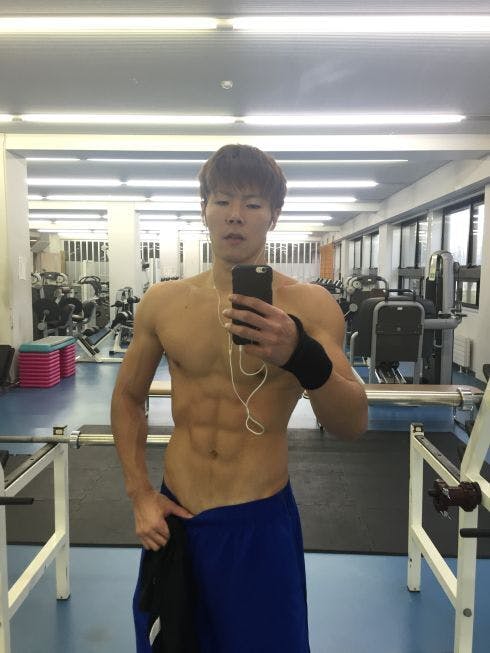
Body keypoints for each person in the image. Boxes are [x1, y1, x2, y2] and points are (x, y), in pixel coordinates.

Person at [111, 144, 368, 652]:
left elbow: (352, 423)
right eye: (223, 200)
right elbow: (127, 397)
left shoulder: (311, 306)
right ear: (204, 209)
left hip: (259, 523)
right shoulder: (164, 302)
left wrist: (300, 354)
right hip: (176, 519)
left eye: (252, 204)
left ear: (273, 215)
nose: (235, 215)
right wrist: (140, 494)